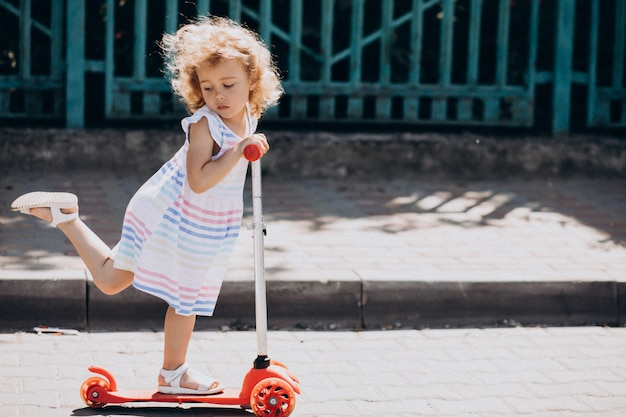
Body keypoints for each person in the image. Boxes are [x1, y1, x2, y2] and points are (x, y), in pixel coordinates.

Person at [10, 16, 283, 395]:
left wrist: (243, 147)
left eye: (228, 84)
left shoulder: (247, 116)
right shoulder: (206, 125)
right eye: (207, 87)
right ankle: (173, 375)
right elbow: (200, 181)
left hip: (203, 219)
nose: (218, 95)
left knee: (110, 280)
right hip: (175, 214)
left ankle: (67, 218)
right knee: (185, 298)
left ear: (252, 82)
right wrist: (238, 151)